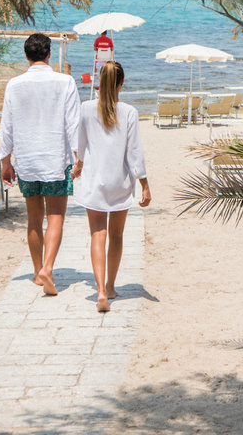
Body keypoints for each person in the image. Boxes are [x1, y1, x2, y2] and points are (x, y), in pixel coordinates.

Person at [0, 33, 81, 296]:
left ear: (26, 56)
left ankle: (36, 273)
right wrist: (79, 157)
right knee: (56, 217)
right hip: (56, 159)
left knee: (34, 219)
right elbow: (74, 124)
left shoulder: (14, 85)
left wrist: (6, 162)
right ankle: (48, 268)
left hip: (27, 160)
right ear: (49, 54)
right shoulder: (65, 82)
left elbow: (6, 127)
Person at [72, 61, 151, 313]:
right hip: (120, 182)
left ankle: (100, 291)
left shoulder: (86, 108)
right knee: (116, 236)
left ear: (99, 81)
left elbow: (79, 145)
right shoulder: (129, 112)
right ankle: (111, 286)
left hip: (94, 180)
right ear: (122, 83)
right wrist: (144, 184)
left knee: (98, 234)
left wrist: (78, 165)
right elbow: (135, 152)